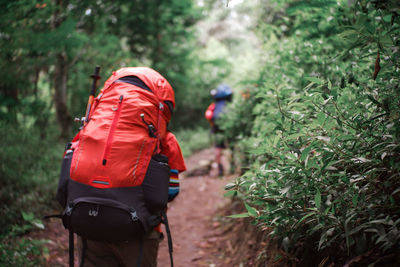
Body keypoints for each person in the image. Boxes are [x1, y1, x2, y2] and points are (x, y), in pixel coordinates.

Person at [205, 84, 232, 176]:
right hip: (228, 127)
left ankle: (220, 169)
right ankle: (232, 166)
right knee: (231, 145)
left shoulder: (214, 106)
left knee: (218, 148)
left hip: (216, 128)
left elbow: (208, 116)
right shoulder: (229, 105)